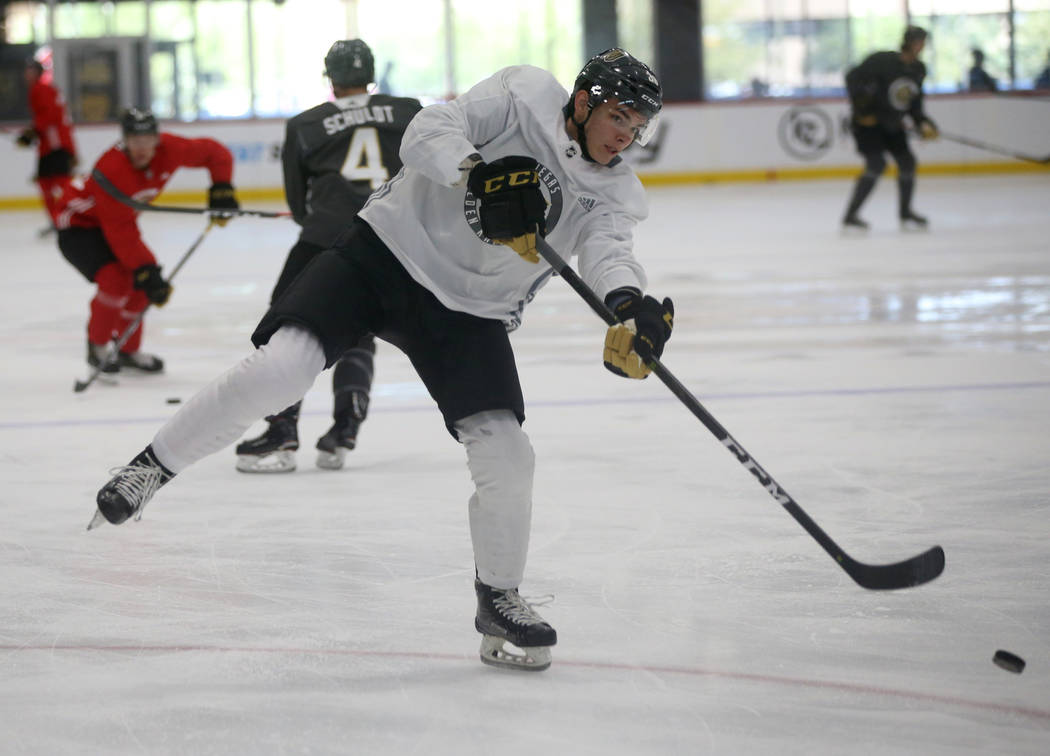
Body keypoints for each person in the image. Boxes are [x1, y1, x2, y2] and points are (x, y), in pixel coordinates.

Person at [90, 48, 673, 672]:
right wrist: (476, 172)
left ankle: (498, 597)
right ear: (582, 101)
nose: (626, 136)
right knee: (278, 371)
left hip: (469, 312)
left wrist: (629, 304)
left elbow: (610, 251)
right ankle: (151, 468)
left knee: (508, 453)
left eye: (637, 127)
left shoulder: (613, 191)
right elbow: (428, 130)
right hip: (383, 255)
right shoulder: (522, 94)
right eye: (619, 117)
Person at [235, 39, 422, 474]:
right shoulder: (409, 109)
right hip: (388, 240)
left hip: (325, 239)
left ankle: (281, 432)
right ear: (370, 74)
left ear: (331, 79)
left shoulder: (306, 124)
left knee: (284, 330)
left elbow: (299, 205)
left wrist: (319, 215)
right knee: (359, 331)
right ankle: (345, 427)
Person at [54, 108, 240, 374]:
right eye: (134, 140)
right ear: (124, 140)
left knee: (141, 286)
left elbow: (215, 152)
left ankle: (128, 350)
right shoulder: (112, 170)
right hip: (77, 226)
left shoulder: (171, 148)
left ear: (157, 138)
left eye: (147, 139)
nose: (141, 147)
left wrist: (222, 187)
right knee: (117, 280)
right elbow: (120, 231)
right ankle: (97, 348)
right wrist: (147, 269)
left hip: (114, 224)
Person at [842, 25, 939, 231]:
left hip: (893, 125)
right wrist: (862, 112)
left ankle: (905, 212)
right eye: (918, 41)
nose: (921, 46)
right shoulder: (882, 60)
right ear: (909, 42)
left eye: (923, 42)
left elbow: (913, 103)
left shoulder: (918, 70)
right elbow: (852, 78)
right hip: (869, 125)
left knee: (907, 162)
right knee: (876, 164)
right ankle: (851, 215)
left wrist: (923, 123)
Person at [16, 58, 78, 228]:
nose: (26, 75)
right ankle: (60, 219)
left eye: (30, 71)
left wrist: (32, 132)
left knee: (58, 183)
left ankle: (70, 218)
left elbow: (49, 117)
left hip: (54, 146)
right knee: (50, 183)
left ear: (37, 73)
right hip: (55, 145)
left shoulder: (39, 89)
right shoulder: (46, 89)